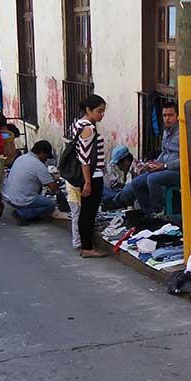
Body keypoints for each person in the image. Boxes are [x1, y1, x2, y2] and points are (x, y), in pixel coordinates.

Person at [105, 103, 179, 214]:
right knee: (136, 183)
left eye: (170, 115)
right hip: (164, 169)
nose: (167, 118)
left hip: (177, 171)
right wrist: (155, 164)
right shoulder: (166, 132)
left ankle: (157, 213)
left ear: (177, 116)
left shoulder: (182, 133)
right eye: (164, 115)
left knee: (153, 179)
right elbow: (164, 152)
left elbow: (186, 159)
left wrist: (164, 166)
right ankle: (147, 213)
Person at [71, 94, 108, 258]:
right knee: (89, 212)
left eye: (103, 111)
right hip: (93, 175)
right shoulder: (88, 128)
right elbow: (85, 158)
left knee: (85, 211)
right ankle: (87, 248)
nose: (101, 115)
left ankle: (85, 245)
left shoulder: (77, 124)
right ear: (89, 110)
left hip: (88, 175)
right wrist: (88, 182)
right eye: (99, 111)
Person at [3, 140, 65, 225]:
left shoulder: (22, 157)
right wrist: (61, 197)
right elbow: (53, 187)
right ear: (42, 152)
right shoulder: (38, 165)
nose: (46, 159)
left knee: (39, 193)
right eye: (46, 156)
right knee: (51, 204)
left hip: (9, 196)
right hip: (21, 199)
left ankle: (26, 212)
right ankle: (23, 214)